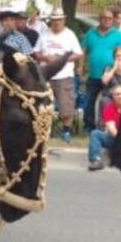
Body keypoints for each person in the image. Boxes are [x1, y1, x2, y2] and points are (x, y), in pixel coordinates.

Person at [35, 8, 82, 143]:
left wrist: (62, 59)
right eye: (54, 20)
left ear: (64, 20)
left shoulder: (70, 35)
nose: (56, 22)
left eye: (59, 20)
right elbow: (36, 52)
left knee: (66, 104)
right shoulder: (44, 34)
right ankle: (45, 130)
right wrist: (45, 57)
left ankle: (66, 131)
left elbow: (78, 53)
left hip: (64, 74)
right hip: (46, 75)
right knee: (44, 105)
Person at [80, 8, 121, 131]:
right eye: (104, 18)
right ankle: (89, 126)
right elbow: (83, 51)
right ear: (99, 19)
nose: (106, 20)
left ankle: (113, 125)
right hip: (94, 74)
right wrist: (80, 67)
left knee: (112, 100)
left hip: (112, 76)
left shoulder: (117, 34)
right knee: (90, 101)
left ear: (112, 20)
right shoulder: (90, 34)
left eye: (109, 19)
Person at [87, 85, 121, 171]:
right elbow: (111, 128)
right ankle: (96, 160)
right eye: (117, 94)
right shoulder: (109, 108)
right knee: (95, 134)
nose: (120, 96)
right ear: (113, 96)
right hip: (115, 138)